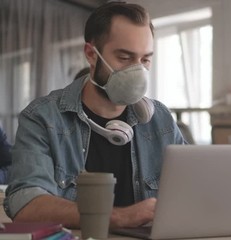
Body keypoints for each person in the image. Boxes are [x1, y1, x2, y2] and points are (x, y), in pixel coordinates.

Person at [4, 2, 186, 228]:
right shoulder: (42, 118)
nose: (138, 71)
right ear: (91, 54)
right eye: (124, 58)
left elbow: (194, 191)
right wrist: (120, 217)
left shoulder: (162, 121)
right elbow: (26, 206)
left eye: (145, 59)